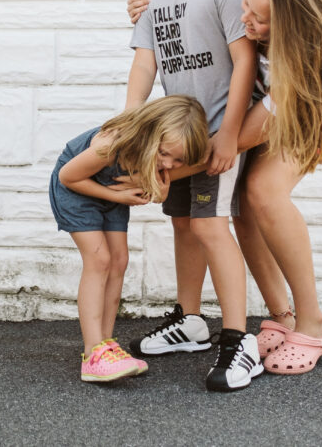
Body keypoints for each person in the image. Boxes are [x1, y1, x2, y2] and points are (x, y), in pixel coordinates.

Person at [128, 0, 322, 376]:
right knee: (243, 205)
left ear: (288, 26)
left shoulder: (298, 66)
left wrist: (163, 175)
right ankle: (282, 316)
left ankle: (313, 322)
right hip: (253, 105)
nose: (245, 18)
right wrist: (147, 7)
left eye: (258, 20)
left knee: (263, 191)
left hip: (303, 113)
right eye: (247, 6)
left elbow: (232, 143)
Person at [124, 0, 262, 392]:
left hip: (218, 135)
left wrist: (229, 136)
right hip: (176, 139)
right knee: (183, 223)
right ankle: (191, 321)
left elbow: (245, 59)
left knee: (210, 227)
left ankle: (238, 339)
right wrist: (128, 130)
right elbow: (145, 63)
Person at [50, 95, 209, 383]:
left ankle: (107, 344)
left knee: (119, 261)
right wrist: (117, 195)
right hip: (78, 190)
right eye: (165, 154)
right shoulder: (111, 145)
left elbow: (158, 193)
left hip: (111, 193)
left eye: (178, 161)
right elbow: (68, 177)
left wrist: (157, 186)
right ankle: (92, 352)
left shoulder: (162, 152)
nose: (170, 164)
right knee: (99, 260)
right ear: (151, 133)